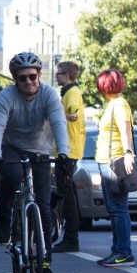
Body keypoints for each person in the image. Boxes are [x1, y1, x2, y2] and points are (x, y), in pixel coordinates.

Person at [0, 52, 70, 273]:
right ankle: (4, 217)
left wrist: (64, 154)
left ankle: (45, 267)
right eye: (22, 78)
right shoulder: (6, 96)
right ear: (15, 79)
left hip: (41, 150)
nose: (28, 82)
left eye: (32, 77)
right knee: (11, 174)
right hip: (12, 147)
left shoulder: (49, 95)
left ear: (39, 75)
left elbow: (58, 123)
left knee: (44, 208)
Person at [94, 69, 136, 267]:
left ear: (104, 85)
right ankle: (117, 250)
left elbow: (124, 129)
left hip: (114, 162)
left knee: (118, 209)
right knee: (114, 209)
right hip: (107, 161)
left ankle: (123, 252)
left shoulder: (119, 104)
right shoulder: (113, 104)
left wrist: (128, 152)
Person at [53, 60, 86, 253]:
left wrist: (58, 113)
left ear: (66, 75)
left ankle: (71, 240)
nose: (56, 75)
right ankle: (69, 237)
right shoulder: (70, 92)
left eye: (58, 73)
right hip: (67, 150)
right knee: (66, 194)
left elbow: (72, 114)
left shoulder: (72, 93)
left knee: (68, 196)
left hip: (68, 151)